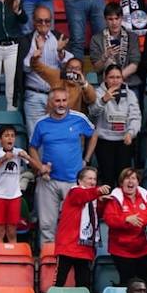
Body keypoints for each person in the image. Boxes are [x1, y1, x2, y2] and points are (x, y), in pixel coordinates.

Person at [28, 88, 96, 244]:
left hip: (74, 181)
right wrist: (39, 167)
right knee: (46, 225)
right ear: (50, 102)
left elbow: (94, 134)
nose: (61, 104)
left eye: (64, 100)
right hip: (48, 180)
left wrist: (86, 159)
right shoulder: (41, 123)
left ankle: (72, 258)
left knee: (77, 223)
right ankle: (48, 262)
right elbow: (32, 147)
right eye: (57, 100)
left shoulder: (79, 118)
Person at [102, 167, 147, 292]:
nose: (130, 181)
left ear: (138, 182)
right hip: (122, 250)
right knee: (127, 285)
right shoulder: (114, 198)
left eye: (133, 178)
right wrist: (126, 220)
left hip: (144, 249)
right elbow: (109, 218)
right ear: (121, 182)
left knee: (146, 285)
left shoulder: (146, 196)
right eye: (127, 178)